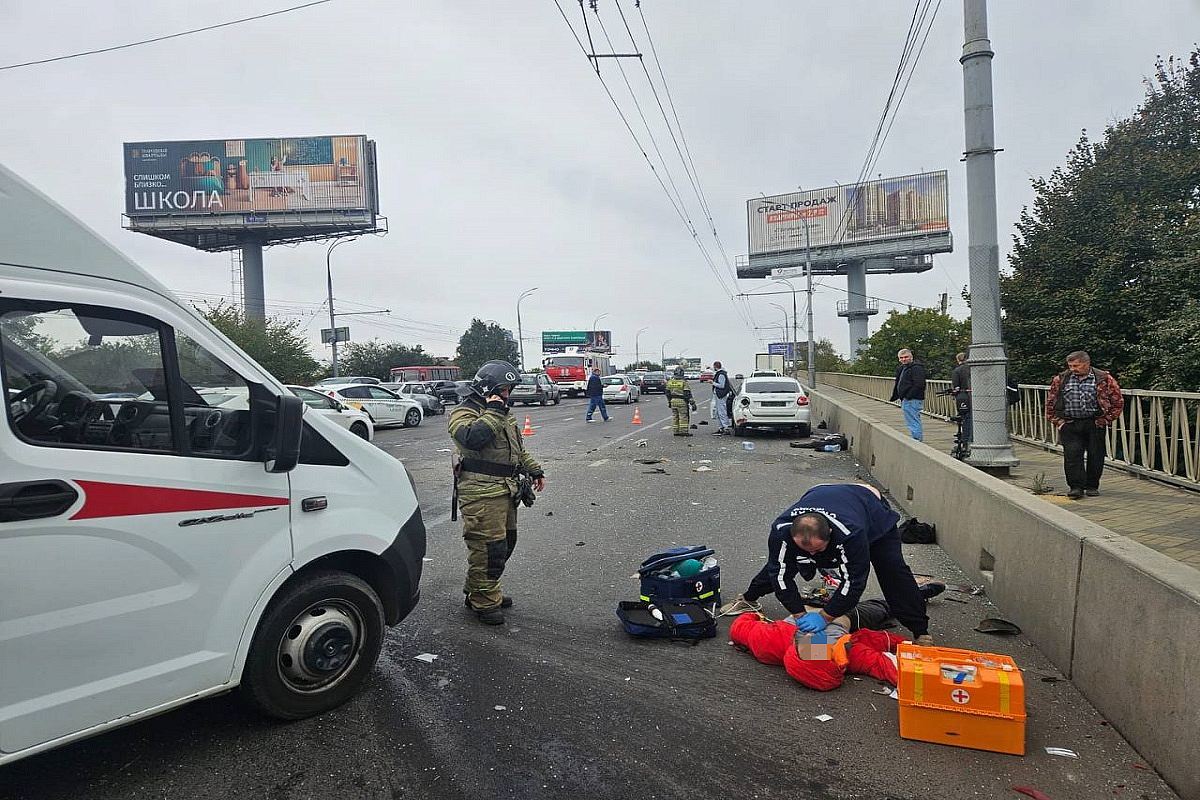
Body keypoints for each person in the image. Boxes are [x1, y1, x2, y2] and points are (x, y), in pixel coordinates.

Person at [718, 482, 935, 644]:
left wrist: (825, 617)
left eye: (818, 550)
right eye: (807, 551)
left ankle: (920, 630)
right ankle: (749, 598)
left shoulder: (851, 534)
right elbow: (779, 573)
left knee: (892, 570)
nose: (814, 555)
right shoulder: (782, 531)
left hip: (869, 510)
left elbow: (854, 582)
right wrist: (798, 614)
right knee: (782, 564)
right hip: (823, 496)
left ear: (829, 534)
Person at [448, 360, 546, 625]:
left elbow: (516, 449)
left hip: (505, 490)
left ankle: (480, 588)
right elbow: (472, 438)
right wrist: (493, 410)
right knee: (488, 549)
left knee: (504, 545)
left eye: (509, 390)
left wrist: (534, 471)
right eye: (503, 389)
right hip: (481, 493)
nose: (507, 395)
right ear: (487, 388)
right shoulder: (464, 412)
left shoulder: (502, 412)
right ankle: (484, 600)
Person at [1045, 350, 1124, 499]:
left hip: (1094, 422)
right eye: (1070, 366)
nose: (1073, 369)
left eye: (1076, 365)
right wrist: (1058, 422)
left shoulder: (1103, 378)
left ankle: (1092, 485)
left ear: (1086, 363)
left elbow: (1117, 401)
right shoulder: (1061, 379)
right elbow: (1050, 402)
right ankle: (1076, 487)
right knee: (1072, 455)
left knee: (1096, 455)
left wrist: (1104, 420)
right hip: (1070, 423)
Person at [889, 348, 926, 441]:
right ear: (899, 359)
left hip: (912, 399)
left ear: (911, 357)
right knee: (912, 421)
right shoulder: (902, 368)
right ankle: (916, 440)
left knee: (913, 422)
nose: (904, 359)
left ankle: (917, 441)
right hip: (906, 399)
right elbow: (898, 382)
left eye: (906, 357)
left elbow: (920, 384)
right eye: (901, 358)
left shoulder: (916, 368)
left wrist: (909, 395)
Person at [664, 366, 697, 436]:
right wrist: (692, 403)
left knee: (675, 416)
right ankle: (683, 431)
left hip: (673, 401)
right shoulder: (683, 382)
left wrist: (669, 402)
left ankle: (676, 431)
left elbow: (667, 393)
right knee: (683, 416)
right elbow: (687, 394)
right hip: (682, 401)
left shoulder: (670, 382)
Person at [951, 351, 972, 442]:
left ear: (958, 360)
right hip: (975, 396)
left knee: (966, 417)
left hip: (963, 397)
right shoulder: (973, 369)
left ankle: (966, 437)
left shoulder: (957, 371)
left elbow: (956, 387)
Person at [711, 360, 734, 434]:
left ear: (715, 366)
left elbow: (722, 385)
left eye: (713, 367)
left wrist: (712, 383)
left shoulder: (721, 374)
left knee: (722, 412)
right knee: (717, 412)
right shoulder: (719, 373)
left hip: (721, 395)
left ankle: (726, 428)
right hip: (718, 395)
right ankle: (721, 428)